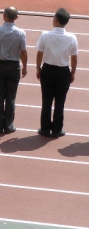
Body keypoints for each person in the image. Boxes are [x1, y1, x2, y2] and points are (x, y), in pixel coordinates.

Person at [36, 8, 79, 137]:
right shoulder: (72, 37)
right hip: (63, 71)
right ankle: (57, 129)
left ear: (55, 20)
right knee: (60, 102)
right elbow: (74, 57)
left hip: (48, 69)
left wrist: (38, 68)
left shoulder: (45, 35)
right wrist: (72, 73)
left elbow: (39, 53)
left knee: (46, 101)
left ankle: (45, 128)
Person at [0, 7, 27, 134]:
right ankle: (8, 125)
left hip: (0, 65)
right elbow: (23, 51)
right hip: (14, 66)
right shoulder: (20, 33)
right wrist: (25, 66)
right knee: (11, 96)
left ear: (3, 16)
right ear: (16, 18)